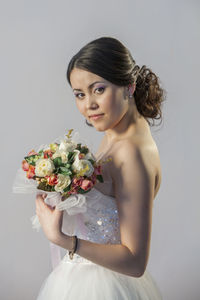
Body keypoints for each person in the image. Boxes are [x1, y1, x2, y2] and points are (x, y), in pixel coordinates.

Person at [35, 36, 165, 299]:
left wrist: (63, 240)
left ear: (128, 86)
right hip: (84, 276)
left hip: (104, 286)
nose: (88, 105)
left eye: (98, 89)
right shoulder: (114, 132)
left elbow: (135, 261)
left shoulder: (132, 152)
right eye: (80, 94)